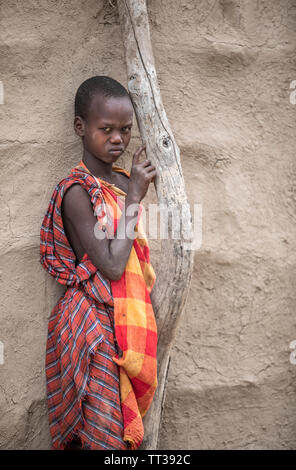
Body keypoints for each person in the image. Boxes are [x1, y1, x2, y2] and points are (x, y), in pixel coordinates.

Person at [40, 76, 158, 450]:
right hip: (91, 323)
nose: (117, 140)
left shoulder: (123, 180)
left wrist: (132, 190)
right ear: (81, 127)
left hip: (124, 322)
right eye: (105, 129)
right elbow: (110, 265)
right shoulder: (76, 191)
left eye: (125, 130)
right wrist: (136, 196)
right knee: (102, 434)